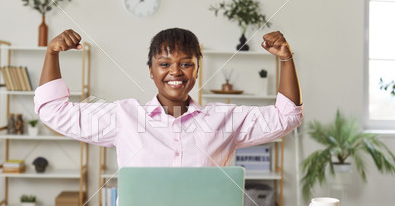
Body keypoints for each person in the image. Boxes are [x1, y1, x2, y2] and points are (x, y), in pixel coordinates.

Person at [34, 28, 302, 168]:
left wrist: (287, 59)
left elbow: (286, 117)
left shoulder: (224, 119)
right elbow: (52, 112)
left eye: (186, 63)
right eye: (164, 64)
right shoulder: (124, 117)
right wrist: (52, 53)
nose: (175, 71)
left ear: (197, 70)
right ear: (151, 71)